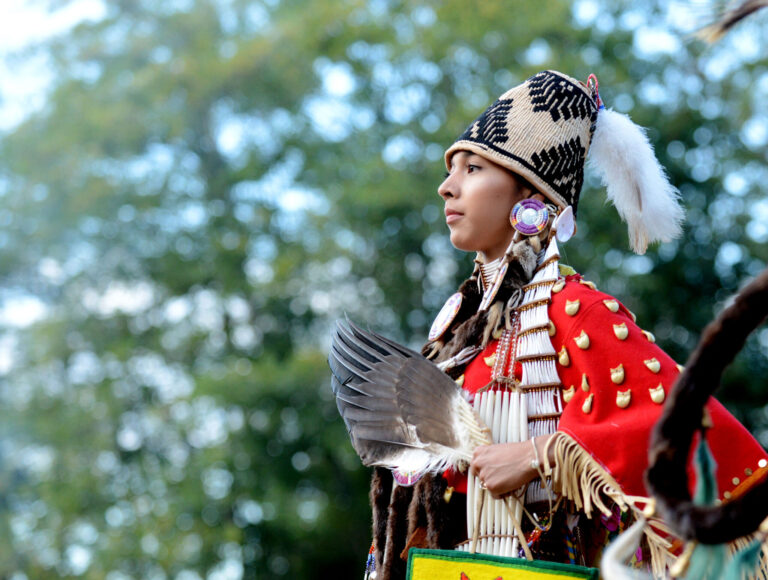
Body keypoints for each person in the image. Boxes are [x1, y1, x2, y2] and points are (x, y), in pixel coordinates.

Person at [365, 70, 768, 580]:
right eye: (452, 170)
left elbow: (679, 427)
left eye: (472, 168)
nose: (447, 186)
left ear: (529, 194)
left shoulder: (573, 309)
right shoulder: (457, 332)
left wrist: (542, 454)